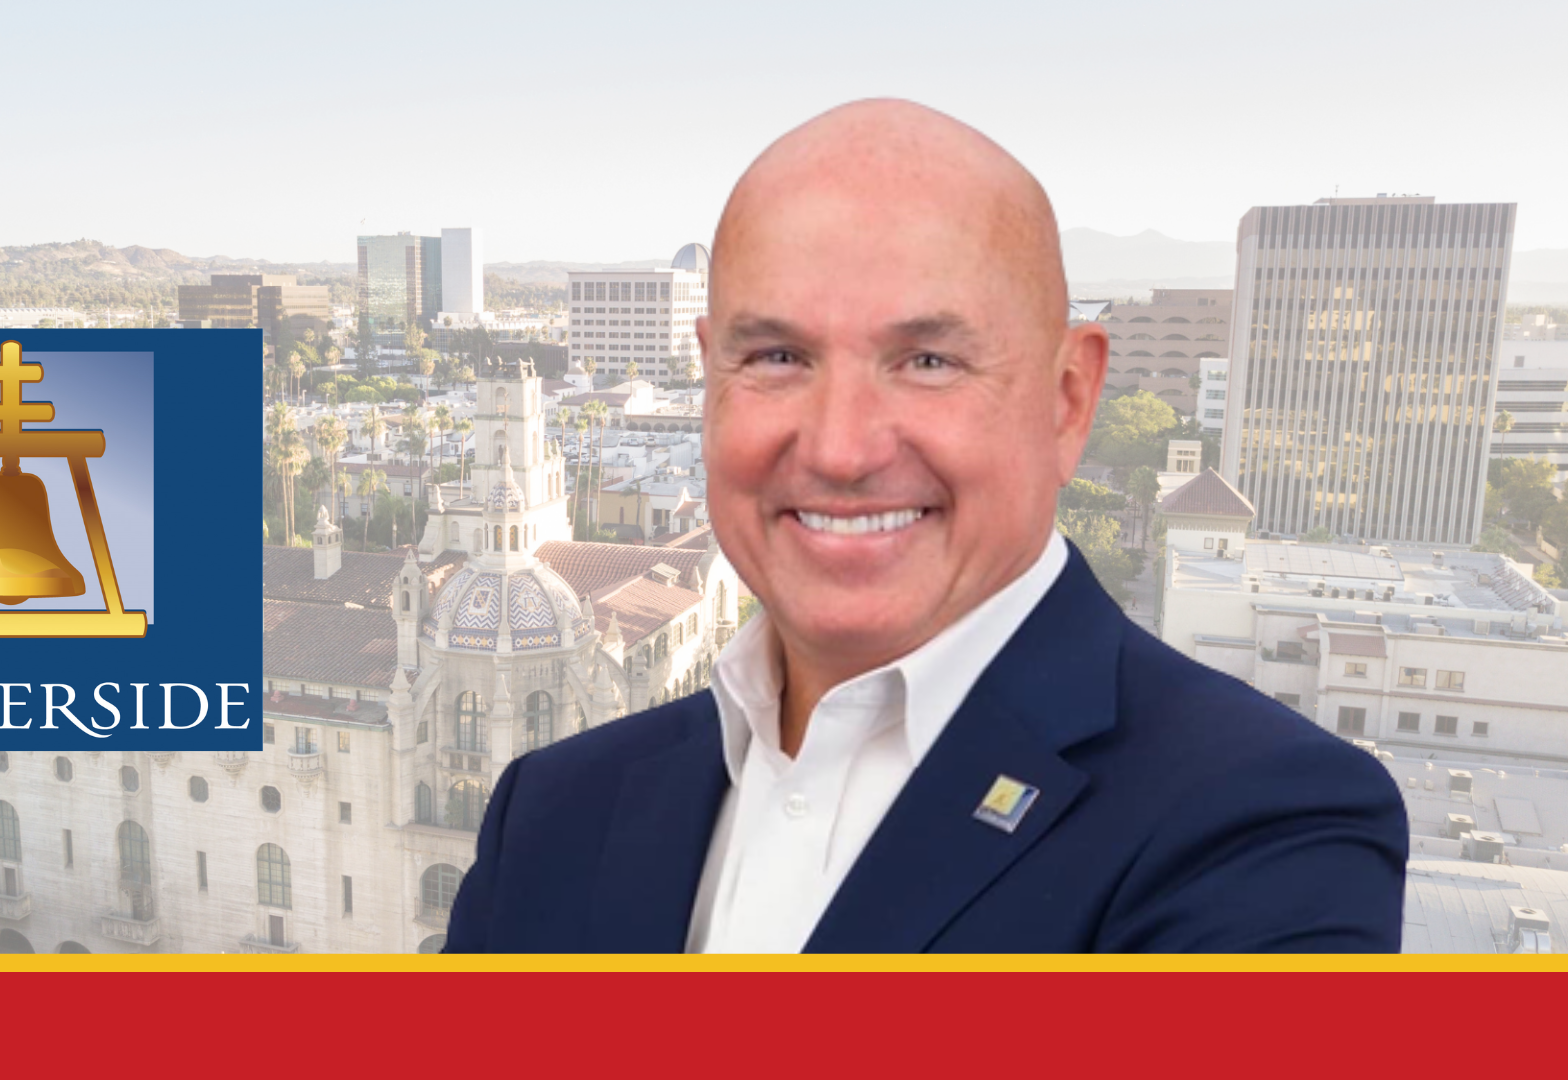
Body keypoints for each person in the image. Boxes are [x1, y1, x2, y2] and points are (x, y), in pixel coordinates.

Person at [444, 100, 1407, 953]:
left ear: (1068, 402)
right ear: (711, 380)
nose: (841, 448)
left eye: (930, 361)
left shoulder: (1263, 832)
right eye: (778, 355)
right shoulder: (552, 809)